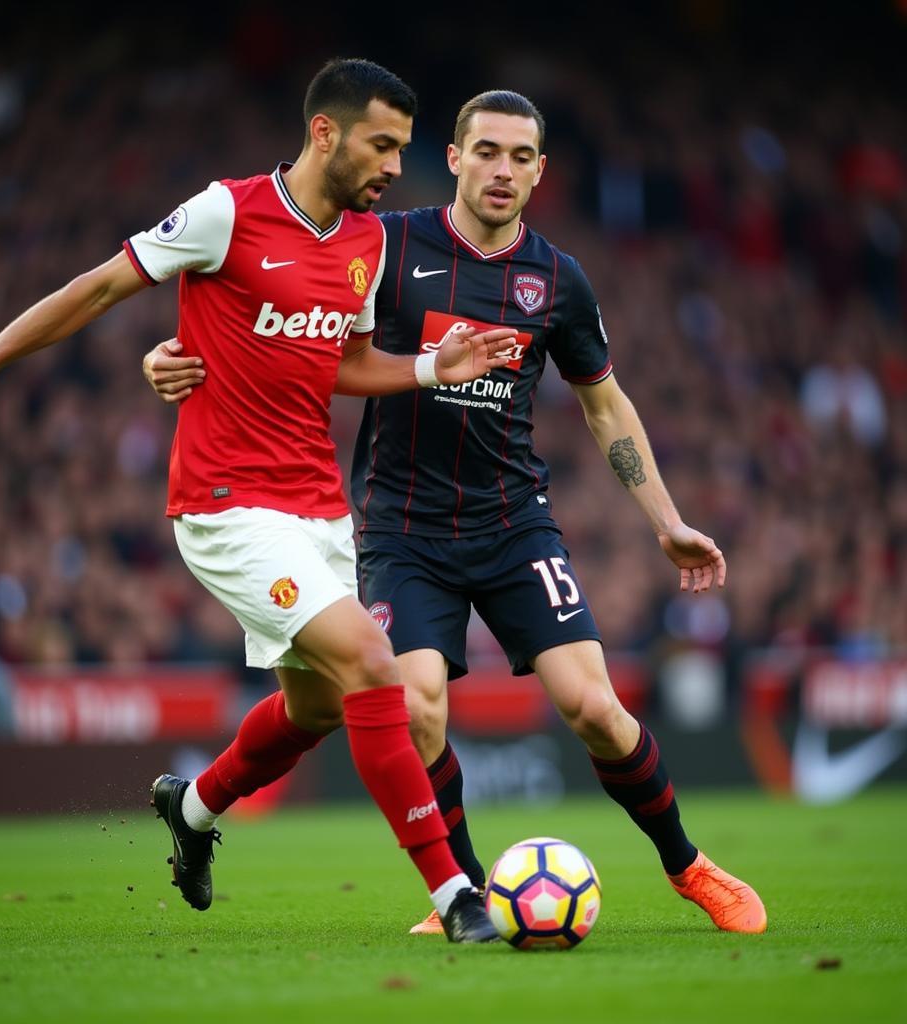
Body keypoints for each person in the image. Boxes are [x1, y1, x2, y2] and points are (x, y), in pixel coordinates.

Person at [0, 59, 525, 944]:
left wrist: (433, 366)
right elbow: (97, 287)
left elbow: (340, 364)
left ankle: (192, 809)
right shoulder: (226, 211)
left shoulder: (367, 243)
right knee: (371, 662)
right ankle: (456, 895)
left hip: (319, 506)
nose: (395, 165)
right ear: (326, 133)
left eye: (401, 148)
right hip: (227, 504)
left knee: (315, 708)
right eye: (382, 144)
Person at [143, 89, 767, 936]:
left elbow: (606, 407)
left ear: (540, 171)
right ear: (455, 158)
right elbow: (276, 321)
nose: (502, 170)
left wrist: (666, 519)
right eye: (487, 151)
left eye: (520, 156)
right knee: (418, 704)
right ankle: (465, 893)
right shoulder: (387, 245)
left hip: (516, 524)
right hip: (402, 527)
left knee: (593, 707)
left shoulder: (557, 279)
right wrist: (174, 356)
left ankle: (689, 866)